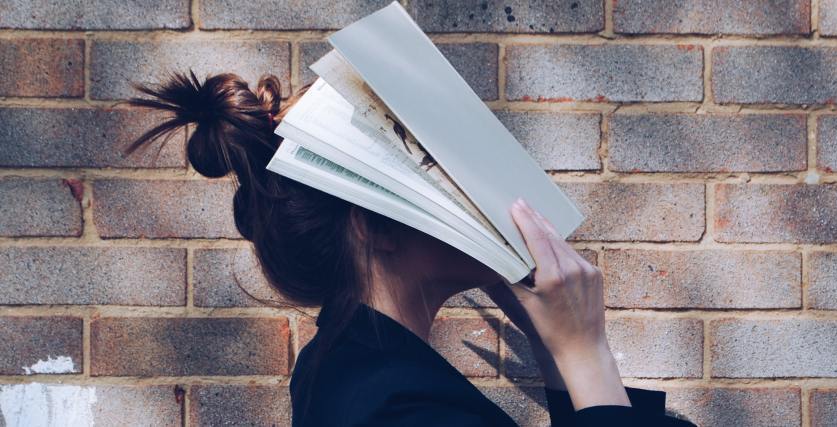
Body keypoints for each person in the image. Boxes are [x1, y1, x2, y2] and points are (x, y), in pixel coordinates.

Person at [123, 70, 696, 426]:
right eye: (436, 173)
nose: (474, 188)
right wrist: (585, 353)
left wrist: (554, 352)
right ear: (374, 224)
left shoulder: (355, 370)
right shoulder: (394, 407)